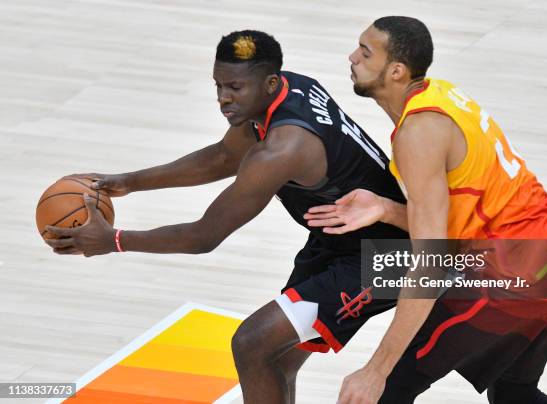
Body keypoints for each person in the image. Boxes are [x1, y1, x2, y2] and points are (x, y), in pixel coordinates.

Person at [44, 30, 409, 403]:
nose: (223, 98)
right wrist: (129, 182)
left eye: (234, 87)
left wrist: (114, 240)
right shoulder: (286, 90)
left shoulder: (285, 148)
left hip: (387, 255)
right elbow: (223, 157)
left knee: (252, 342)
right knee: (276, 358)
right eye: (218, 85)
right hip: (341, 239)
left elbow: (204, 236)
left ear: (268, 83)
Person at [304, 16, 547, 404]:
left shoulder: (418, 134)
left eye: (365, 52)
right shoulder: (439, 95)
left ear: (396, 71)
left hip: (518, 275)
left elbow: (430, 264)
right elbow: (455, 226)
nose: (352, 57)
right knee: (514, 395)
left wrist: (375, 370)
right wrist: (387, 208)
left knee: (383, 391)